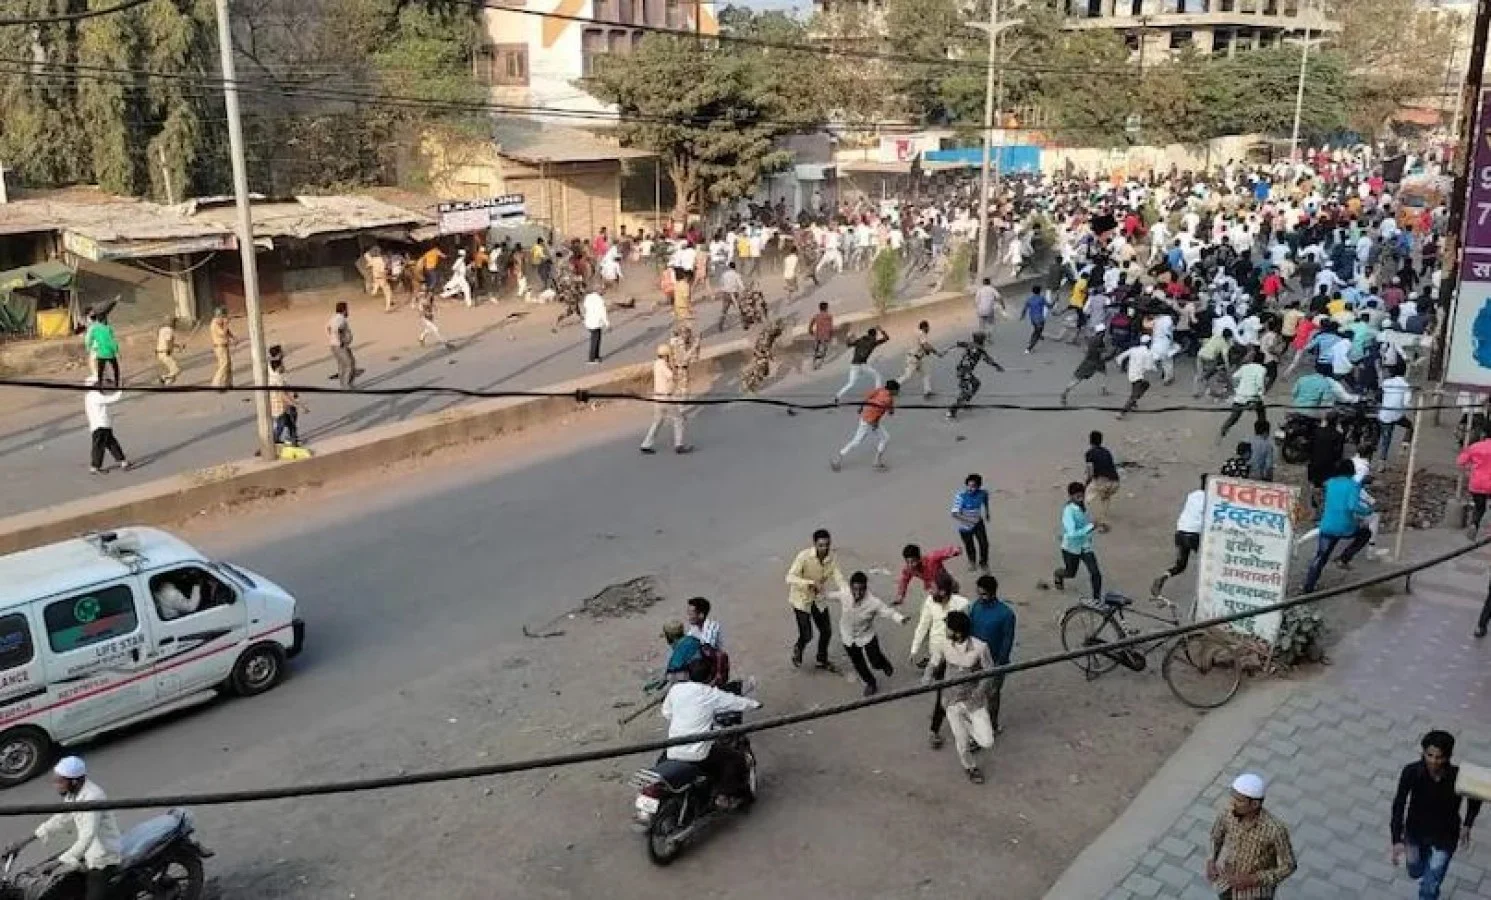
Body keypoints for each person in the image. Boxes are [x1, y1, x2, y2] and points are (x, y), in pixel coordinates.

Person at [1391, 730, 1481, 900]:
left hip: (1445, 836)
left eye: (1439, 757)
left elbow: (1475, 798)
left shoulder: (1458, 776)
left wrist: (1468, 824)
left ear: (1448, 756)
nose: (1433, 761)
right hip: (1415, 832)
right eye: (1429, 755)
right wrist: (1396, 839)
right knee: (1414, 869)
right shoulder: (1411, 772)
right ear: (1423, 753)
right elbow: (1399, 804)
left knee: (1430, 885)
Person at [661, 657, 760, 804]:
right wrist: (755, 704)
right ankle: (725, 795)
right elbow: (734, 702)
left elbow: (667, 713)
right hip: (698, 754)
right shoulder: (709, 693)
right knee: (734, 759)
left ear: (688, 675)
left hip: (673, 749)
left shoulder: (676, 690)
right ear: (710, 677)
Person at [26, 757, 123, 900]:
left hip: (103, 857)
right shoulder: (74, 794)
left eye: (60, 782)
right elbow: (60, 819)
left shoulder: (92, 797)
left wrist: (58, 862)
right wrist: (24, 841)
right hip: (85, 852)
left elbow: (88, 835)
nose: (56, 786)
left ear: (74, 782)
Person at [923, 610, 996, 783]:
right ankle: (970, 767)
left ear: (958, 632)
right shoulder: (944, 644)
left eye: (948, 628)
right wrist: (927, 676)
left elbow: (989, 673)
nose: (945, 631)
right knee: (961, 742)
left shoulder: (980, 647)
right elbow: (934, 661)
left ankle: (969, 727)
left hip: (973, 700)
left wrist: (978, 694)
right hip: (952, 701)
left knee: (987, 741)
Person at [1206, 773, 1297, 899]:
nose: (1232, 803)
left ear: (1254, 804)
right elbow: (1216, 835)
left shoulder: (1275, 830)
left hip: (1255, 893)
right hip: (1227, 884)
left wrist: (1253, 879)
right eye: (1233, 797)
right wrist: (1211, 860)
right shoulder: (1228, 814)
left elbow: (1288, 866)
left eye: (1239, 800)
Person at [909, 573, 971, 750]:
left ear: (943, 592)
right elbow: (923, 625)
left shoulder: (962, 604)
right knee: (943, 694)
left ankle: (940, 729)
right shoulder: (930, 602)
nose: (929, 591)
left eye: (933, 588)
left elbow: (967, 631)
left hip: (956, 657)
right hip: (937, 655)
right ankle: (936, 729)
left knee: (954, 693)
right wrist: (914, 649)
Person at [1301, 459, 1374, 593]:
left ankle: (1308, 587)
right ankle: (1344, 558)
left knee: (1321, 556)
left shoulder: (1330, 483)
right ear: (1351, 471)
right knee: (1366, 533)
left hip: (1327, 526)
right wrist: (1368, 510)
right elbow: (1352, 506)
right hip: (1345, 527)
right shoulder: (1353, 485)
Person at [834, 571, 908, 695]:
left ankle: (883, 663)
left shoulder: (873, 602)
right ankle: (871, 683)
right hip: (848, 637)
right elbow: (828, 595)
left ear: (865, 588)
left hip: (866, 635)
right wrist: (817, 591)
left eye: (861, 589)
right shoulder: (844, 594)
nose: (858, 593)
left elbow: (888, 612)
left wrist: (900, 618)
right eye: (855, 589)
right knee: (859, 664)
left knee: (875, 661)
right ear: (850, 587)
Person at [784, 529, 848, 670]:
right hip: (801, 600)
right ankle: (798, 648)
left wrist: (847, 593)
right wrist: (810, 583)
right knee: (807, 635)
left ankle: (821, 659)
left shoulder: (831, 559)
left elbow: (839, 577)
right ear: (814, 544)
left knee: (826, 631)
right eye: (821, 545)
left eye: (827, 545)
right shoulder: (804, 557)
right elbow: (789, 577)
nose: (824, 549)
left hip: (818, 599)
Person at [967, 574, 1015, 734]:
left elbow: (1007, 642)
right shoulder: (976, 607)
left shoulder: (1006, 614)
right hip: (975, 660)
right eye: (978, 593)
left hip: (994, 662)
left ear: (993, 592)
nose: (980, 597)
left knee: (993, 694)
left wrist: (999, 666)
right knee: (974, 694)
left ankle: (992, 725)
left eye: (984, 594)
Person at [1151, 475, 1207, 598]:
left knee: (1181, 565)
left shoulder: (1192, 495)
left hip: (1181, 531)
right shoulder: (1211, 498)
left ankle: (1163, 576)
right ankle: (1203, 593)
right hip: (1195, 535)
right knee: (1207, 563)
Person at [831, 380, 898, 472]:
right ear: (892, 390)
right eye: (897, 390)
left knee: (856, 441)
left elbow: (867, 398)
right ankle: (876, 462)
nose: (898, 392)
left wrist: (861, 407)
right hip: (871, 420)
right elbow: (880, 412)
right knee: (885, 438)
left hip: (864, 417)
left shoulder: (879, 390)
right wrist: (875, 423)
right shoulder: (887, 399)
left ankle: (838, 458)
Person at [640, 344, 692, 455]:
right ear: (666, 355)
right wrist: (675, 368)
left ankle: (646, 444)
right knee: (678, 419)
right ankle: (679, 444)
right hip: (666, 398)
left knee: (657, 421)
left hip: (657, 398)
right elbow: (671, 376)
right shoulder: (663, 365)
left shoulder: (656, 363)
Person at [1053, 481, 1101, 598]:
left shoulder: (1082, 507)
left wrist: (1096, 526)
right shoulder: (1068, 511)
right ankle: (1058, 574)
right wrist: (1090, 527)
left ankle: (1096, 598)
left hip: (1085, 546)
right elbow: (1072, 534)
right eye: (1077, 495)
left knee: (1095, 573)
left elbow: (1084, 524)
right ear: (1071, 496)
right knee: (1070, 573)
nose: (1080, 497)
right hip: (1071, 548)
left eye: (1082, 494)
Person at [946, 332, 1004, 421]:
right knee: (965, 392)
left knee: (976, 384)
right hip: (965, 372)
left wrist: (946, 350)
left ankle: (965, 402)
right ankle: (951, 411)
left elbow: (958, 344)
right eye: (983, 340)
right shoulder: (980, 350)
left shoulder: (969, 344)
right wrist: (998, 367)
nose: (984, 341)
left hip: (963, 370)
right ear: (981, 341)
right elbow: (989, 360)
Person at [1218, 348, 1269, 443]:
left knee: (1234, 417)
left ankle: (1223, 431)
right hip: (1253, 398)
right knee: (1261, 414)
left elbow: (1234, 377)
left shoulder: (1245, 367)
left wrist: (1237, 389)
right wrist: (1261, 395)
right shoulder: (1262, 369)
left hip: (1240, 397)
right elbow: (1259, 384)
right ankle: (1262, 434)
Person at [83, 376, 128, 474]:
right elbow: (113, 398)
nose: (100, 384)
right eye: (98, 383)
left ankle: (123, 461)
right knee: (99, 447)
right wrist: (121, 388)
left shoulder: (90, 396)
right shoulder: (95, 396)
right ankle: (95, 467)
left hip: (100, 425)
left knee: (112, 444)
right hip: (100, 425)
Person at [1059, 330, 1112, 406]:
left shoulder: (1092, 339)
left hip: (1089, 361)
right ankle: (1065, 393)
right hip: (1095, 362)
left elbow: (1085, 349)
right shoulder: (1100, 340)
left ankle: (1103, 389)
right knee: (1079, 379)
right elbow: (1104, 351)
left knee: (1102, 373)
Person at [835, 327, 889, 402]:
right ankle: (877, 393)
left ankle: (838, 395)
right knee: (877, 376)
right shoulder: (873, 342)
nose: (875, 337)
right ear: (874, 335)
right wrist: (881, 330)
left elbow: (848, 345)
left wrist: (848, 337)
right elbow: (886, 338)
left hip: (855, 365)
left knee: (851, 383)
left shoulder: (860, 340)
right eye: (875, 335)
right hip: (862, 365)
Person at [951, 473, 991, 571]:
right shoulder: (960, 497)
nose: (970, 488)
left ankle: (983, 563)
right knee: (970, 546)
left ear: (978, 486)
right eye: (968, 486)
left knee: (984, 544)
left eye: (973, 486)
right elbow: (954, 514)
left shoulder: (983, 493)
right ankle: (972, 562)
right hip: (965, 527)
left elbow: (985, 500)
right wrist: (970, 520)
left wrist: (987, 512)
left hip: (978, 523)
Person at [1084, 430, 1120, 532]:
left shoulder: (1089, 453)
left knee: (1087, 497)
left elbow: (1090, 472)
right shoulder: (1107, 452)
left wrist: (1087, 483)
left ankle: (1085, 519)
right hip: (1115, 482)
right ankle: (1104, 519)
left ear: (1090, 440)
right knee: (1105, 497)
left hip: (1102, 481)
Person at [1114, 334, 1157, 419]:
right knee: (1135, 394)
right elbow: (1148, 367)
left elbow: (1120, 357)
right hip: (1138, 376)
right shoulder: (1148, 353)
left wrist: (1119, 363)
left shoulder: (1133, 349)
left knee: (1145, 385)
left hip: (1130, 373)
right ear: (1148, 343)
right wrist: (1153, 368)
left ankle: (1134, 401)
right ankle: (1122, 412)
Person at [1456, 432, 1491, 538]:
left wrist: (1468, 472)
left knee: (1479, 507)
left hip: (1477, 483)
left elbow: (1460, 462)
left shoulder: (1475, 447)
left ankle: (1474, 524)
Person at [899, 321, 943, 399]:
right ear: (924, 327)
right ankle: (892, 386)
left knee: (925, 373)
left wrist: (927, 351)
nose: (929, 329)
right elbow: (925, 345)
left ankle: (927, 391)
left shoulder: (917, 332)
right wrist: (936, 352)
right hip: (913, 359)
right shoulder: (921, 334)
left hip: (918, 358)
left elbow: (923, 346)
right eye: (928, 327)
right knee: (908, 376)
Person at [268, 355, 302, 447]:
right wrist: (295, 404)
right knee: (284, 423)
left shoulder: (278, 376)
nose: (283, 366)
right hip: (279, 406)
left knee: (287, 423)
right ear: (278, 367)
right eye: (281, 365)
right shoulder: (276, 378)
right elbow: (282, 394)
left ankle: (291, 439)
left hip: (280, 405)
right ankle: (279, 440)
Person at [326, 301, 360, 388]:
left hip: (334, 345)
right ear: (344, 310)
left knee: (342, 364)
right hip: (340, 345)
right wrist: (340, 340)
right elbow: (336, 329)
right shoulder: (340, 319)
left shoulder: (333, 318)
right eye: (347, 309)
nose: (348, 311)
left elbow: (328, 328)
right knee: (349, 364)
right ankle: (346, 385)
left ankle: (344, 384)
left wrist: (331, 338)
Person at [84, 310, 120, 387]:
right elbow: (112, 341)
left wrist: (88, 347)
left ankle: (99, 380)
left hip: (99, 350)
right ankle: (113, 381)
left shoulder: (94, 328)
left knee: (96, 364)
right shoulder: (107, 328)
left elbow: (88, 339)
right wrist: (116, 351)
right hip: (108, 352)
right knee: (112, 367)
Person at [210, 307, 235, 389]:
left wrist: (233, 337)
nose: (224, 318)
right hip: (219, 347)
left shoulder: (221, 324)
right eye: (223, 316)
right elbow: (223, 333)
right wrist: (226, 324)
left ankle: (228, 383)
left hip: (225, 345)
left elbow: (227, 331)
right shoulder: (214, 324)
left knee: (228, 365)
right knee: (224, 364)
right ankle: (215, 382)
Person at [582, 288, 609, 364]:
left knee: (597, 338)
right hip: (596, 322)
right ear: (599, 290)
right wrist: (607, 324)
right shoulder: (600, 300)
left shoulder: (588, 297)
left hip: (589, 321)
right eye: (603, 291)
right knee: (595, 340)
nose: (604, 292)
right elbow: (603, 313)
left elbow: (585, 307)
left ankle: (596, 356)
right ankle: (592, 359)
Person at [1021, 285, 1050, 353]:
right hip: (1040, 319)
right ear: (1040, 291)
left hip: (1032, 319)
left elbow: (1024, 309)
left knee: (1036, 330)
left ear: (1032, 291)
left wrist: (1022, 316)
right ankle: (1029, 348)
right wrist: (1055, 301)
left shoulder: (1029, 299)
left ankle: (1032, 340)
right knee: (1037, 333)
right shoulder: (1041, 298)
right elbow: (1050, 306)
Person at [155, 316, 182, 385]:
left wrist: (178, 346)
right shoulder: (169, 330)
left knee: (173, 371)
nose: (175, 324)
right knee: (176, 371)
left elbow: (167, 342)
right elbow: (168, 342)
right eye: (174, 322)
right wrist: (170, 350)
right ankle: (163, 378)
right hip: (164, 353)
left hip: (160, 353)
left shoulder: (162, 329)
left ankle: (165, 381)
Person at [809, 301, 834, 370]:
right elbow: (831, 327)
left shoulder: (817, 316)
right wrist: (831, 335)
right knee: (824, 350)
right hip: (826, 336)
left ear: (819, 308)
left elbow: (811, 323)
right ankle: (820, 363)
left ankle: (814, 363)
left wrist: (810, 329)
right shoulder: (829, 316)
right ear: (826, 308)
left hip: (818, 335)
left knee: (816, 349)